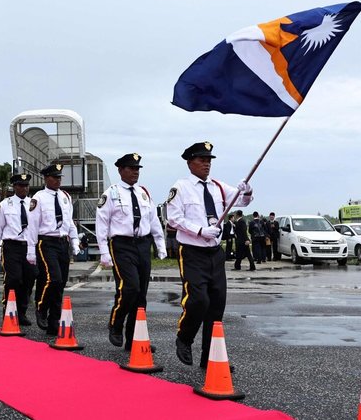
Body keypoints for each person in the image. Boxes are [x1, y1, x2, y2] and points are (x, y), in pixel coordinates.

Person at [166, 141, 252, 367]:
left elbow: (242, 200)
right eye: (201, 160)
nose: (206, 164)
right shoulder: (181, 187)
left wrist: (247, 189)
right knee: (198, 300)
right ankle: (184, 338)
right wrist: (200, 230)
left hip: (215, 252)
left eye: (209, 160)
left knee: (216, 305)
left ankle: (210, 356)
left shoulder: (218, 187)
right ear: (190, 163)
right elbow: (173, 218)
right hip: (192, 252)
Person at [95, 153, 167, 351]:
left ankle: (134, 338)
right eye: (131, 168)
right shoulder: (111, 193)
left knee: (141, 295)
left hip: (142, 244)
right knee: (130, 288)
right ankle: (116, 323)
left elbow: (153, 220)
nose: (135, 172)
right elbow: (102, 223)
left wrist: (160, 245)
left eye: (137, 169)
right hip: (121, 245)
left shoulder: (143, 193)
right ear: (121, 170)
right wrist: (104, 252)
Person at [25, 162, 81, 336]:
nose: (57, 181)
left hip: (62, 243)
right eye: (54, 177)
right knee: (54, 279)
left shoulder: (65, 196)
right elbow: (32, 226)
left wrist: (75, 241)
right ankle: (41, 307)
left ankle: (54, 321)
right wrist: (30, 249)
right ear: (46, 178)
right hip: (46, 242)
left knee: (61, 284)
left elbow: (69, 222)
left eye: (59, 178)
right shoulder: (39, 197)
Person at [0, 173, 35, 325]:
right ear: (14, 187)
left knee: (28, 279)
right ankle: (8, 311)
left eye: (26, 185)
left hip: (29, 246)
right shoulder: (5, 204)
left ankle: (21, 312)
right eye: (21, 185)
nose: (24, 188)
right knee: (13, 279)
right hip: (11, 246)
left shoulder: (33, 204)